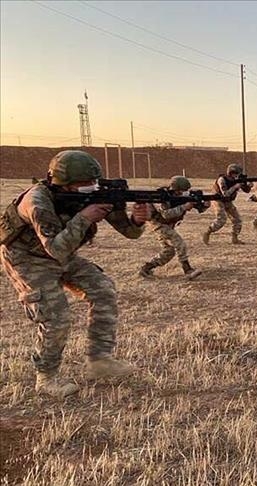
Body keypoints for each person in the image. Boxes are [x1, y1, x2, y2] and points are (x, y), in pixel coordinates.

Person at [0, 150, 150, 398]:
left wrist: (137, 220)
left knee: (103, 289)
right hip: (27, 258)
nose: (91, 187)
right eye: (83, 183)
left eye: (93, 181)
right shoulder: (37, 201)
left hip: (61, 253)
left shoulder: (95, 194)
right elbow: (56, 249)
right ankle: (46, 378)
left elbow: (130, 233)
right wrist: (83, 218)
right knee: (55, 315)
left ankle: (99, 361)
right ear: (62, 184)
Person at [138, 176, 205, 280]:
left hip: (166, 225)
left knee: (169, 251)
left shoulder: (181, 196)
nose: (183, 193)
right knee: (179, 243)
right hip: (158, 224)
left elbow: (199, 207)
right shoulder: (161, 197)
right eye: (181, 191)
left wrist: (205, 205)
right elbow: (165, 214)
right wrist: (184, 207)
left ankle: (146, 269)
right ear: (175, 189)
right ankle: (187, 270)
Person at [202, 163, 251, 245]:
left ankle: (235, 238)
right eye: (236, 174)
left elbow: (247, 191)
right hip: (218, 200)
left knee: (237, 219)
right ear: (231, 173)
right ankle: (207, 232)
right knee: (221, 219)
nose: (237, 176)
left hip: (228, 201)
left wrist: (248, 186)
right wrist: (235, 187)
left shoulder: (235, 180)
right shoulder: (222, 180)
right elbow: (225, 194)